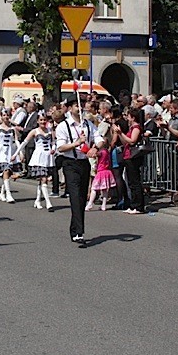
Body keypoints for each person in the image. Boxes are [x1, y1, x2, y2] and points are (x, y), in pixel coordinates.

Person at [56, 97, 103, 247]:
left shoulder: (88, 124)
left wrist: (96, 147)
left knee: (82, 197)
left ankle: (74, 229)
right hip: (70, 163)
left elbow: (100, 139)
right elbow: (60, 147)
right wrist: (76, 143)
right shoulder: (63, 126)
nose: (80, 108)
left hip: (84, 163)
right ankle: (78, 232)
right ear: (70, 108)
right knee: (75, 196)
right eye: (77, 105)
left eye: (81, 105)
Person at [114, 107, 147, 215]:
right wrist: (119, 134)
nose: (127, 118)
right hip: (127, 155)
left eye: (128, 116)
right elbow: (126, 142)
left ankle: (138, 205)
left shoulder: (136, 127)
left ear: (132, 117)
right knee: (130, 181)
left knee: (135, 181)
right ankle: (133, 204)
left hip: (134, 156)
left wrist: (121, 133)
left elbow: (132, 141)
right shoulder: (131, 127)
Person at [86, 127, 115, 212]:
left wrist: (94, 147)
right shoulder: (107, 152)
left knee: (94, 188)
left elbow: (94, 155)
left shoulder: (101, 152)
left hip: (101, 172)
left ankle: (90, 204)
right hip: (107, 171)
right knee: (104, 189)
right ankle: (104, 205)